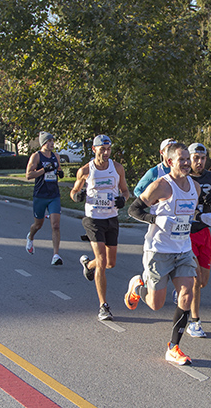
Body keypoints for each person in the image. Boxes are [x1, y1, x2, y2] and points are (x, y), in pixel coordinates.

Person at [124, 142, 200, 365]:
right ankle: (138, 285)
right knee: (156, 304)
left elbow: (187, 219)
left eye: (188, 158)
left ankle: (174, 347)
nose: (187, 163)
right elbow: (133, 210)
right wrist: (156, 219)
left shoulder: (195, 187)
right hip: (158, 251)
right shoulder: (161, 186)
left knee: (187, 294)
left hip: (183, 250)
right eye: (182, 159)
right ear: (169, 162)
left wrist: (202, 221)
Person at [71, 135, 130, 322]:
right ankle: (103, 306)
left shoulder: (117, 168)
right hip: (93, 219)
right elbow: (73, 191)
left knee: (110, 263)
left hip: (111, 218)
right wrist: (77, 196)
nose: (105, 153)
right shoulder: (85, 170)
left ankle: (88, 265)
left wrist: (124, 199)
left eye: (108, 149)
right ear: (94, 149)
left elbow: (126, 191)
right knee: (102, 260)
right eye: (102, 149)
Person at [186, 142, 211, 338]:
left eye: (203, 158)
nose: (199, 162)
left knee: (203, 282)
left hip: (205, 232)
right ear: (189, 158)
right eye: (196, 158)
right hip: (186, 233)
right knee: (195, 280)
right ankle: (194, 322)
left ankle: (181, 287)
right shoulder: (183, 177)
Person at [25, 132, 65, 265]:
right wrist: (43, 170)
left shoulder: (56, 156)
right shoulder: (36, 156)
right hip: (40, 195)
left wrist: (60, 172)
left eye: (53, 141)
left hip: (54, 195)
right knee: (38, 224)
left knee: (56, 225)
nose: (52, 143)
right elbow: (28, 175)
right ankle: (30, 237)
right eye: (49, 141)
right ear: (43, 143)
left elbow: (58, 169)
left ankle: (56, 255)